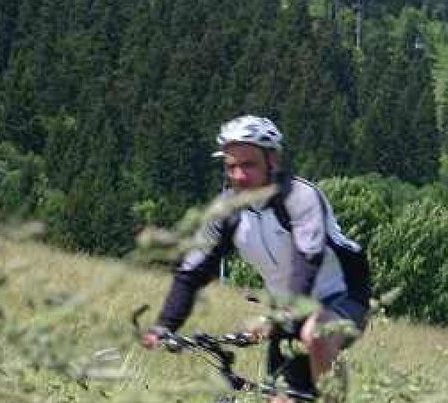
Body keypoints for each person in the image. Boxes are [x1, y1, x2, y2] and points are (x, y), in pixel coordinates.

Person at [140, 115, 368, 401]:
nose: (238, 175)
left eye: (248, 165)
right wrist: (165, 325)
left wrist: (280, 316)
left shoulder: (300, 198)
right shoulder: (227, 210)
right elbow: (193, 271)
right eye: (231, 167)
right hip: (287, 309)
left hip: (341, 295)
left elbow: (307, 264)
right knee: (283, 398)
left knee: (316, 334)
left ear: (272, 161)